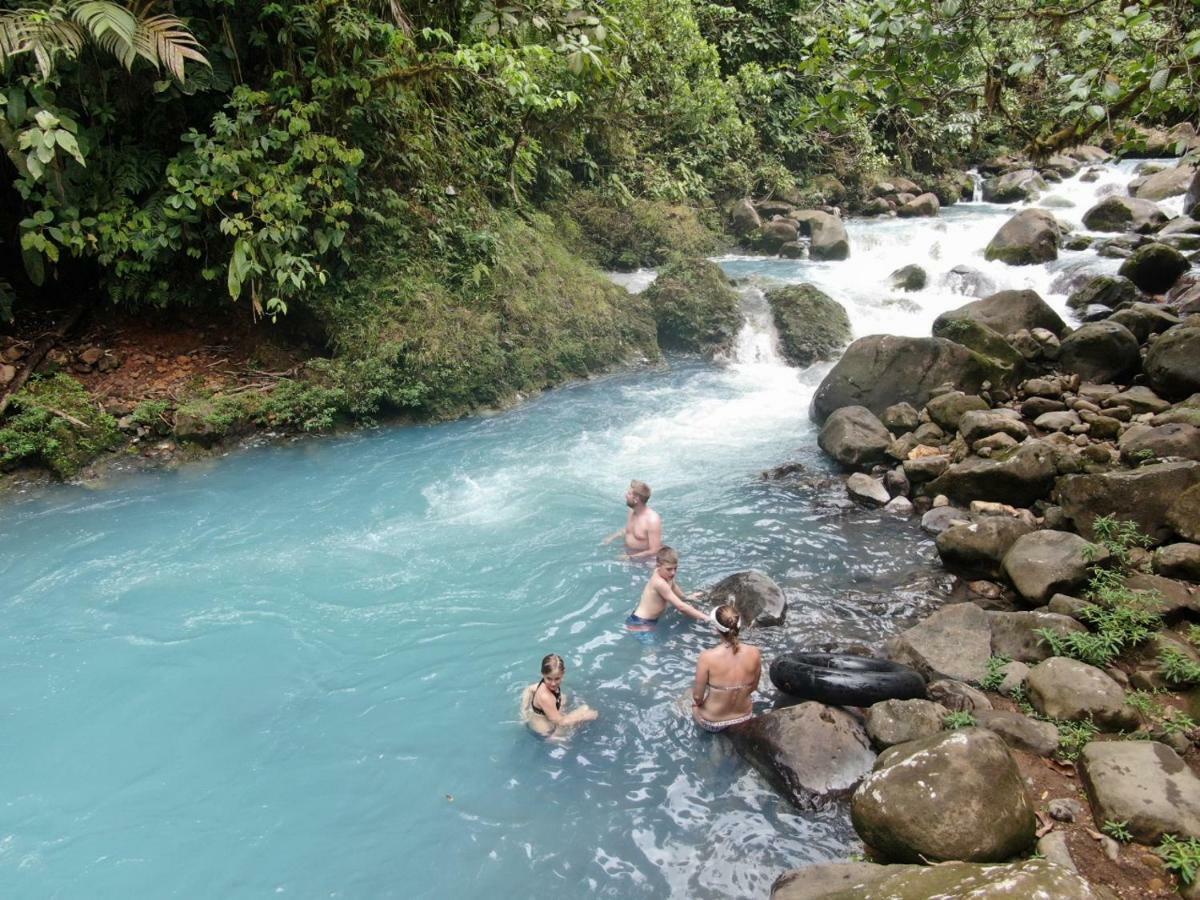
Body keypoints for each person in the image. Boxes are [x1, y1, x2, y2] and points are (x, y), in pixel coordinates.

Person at [692, 605, 761, 732]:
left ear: (716, 629)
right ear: (739, 625)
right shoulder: (755, 652)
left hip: (712, 722)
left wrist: (697, 706)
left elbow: (697, 697)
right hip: (744, 717)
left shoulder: (707, 657)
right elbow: (754, 687)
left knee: (684, 702)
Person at [625, 546, 708, 631]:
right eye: (669, 569)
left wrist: (686, 598)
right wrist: (706, 618)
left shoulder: (666, 575)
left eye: (675, 568)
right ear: (658, 566)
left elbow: (673, 586)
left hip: (649, 620)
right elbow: (681, 607)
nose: (673, 572)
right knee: (653, 644)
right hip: (640, 622)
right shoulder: (660, 583)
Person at [522, 653, 598, 737]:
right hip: (546, 731)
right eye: (549, 679)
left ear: (563, 674)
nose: (553, 684)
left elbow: (528, 689)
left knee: (564, 698)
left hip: (543, 717)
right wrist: (585, 716)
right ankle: (555, 738)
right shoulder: (545, 697)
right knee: (585, 709)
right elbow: (562, 723)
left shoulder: (543, 684)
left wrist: (524, 710)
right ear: (542, 674)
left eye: (557, 678)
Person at [603, 480, 662, 560]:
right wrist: (612, 537)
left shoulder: (652, 520)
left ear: (636, 499)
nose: (625, 496)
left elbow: (654, 550)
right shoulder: (632, 511)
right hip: (628, 554)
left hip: (644, 560)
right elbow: (629, 529)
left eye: (629, 494)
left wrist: (630, 557)